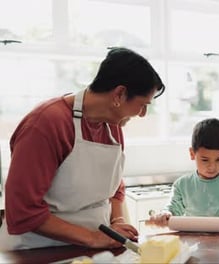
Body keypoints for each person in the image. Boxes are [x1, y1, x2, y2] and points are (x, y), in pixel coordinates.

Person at [0, 47, 165, 250]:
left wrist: (117, 221)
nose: (142, 114)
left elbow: (114, 186)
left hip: (90, 247)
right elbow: (22, 210)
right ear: (120, 94)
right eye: (142, 104)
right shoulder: (47, 123)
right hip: (36, 251)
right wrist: (93, 238)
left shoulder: (113, 125)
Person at [148, 118, 219, 230]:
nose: (212, 167)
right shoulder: (182, 184)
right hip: (192, 243)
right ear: (192, 154)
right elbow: (172, 209)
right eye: (205, 160)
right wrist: (165, 215)